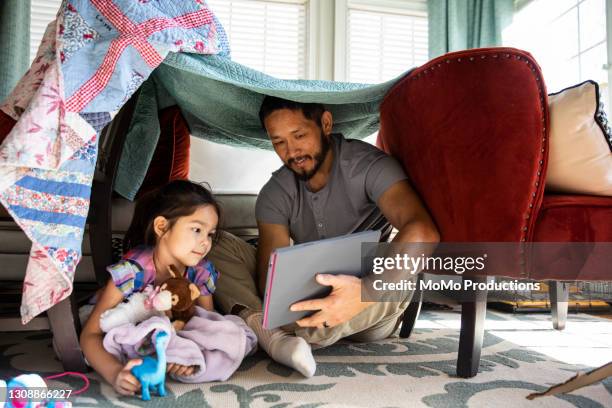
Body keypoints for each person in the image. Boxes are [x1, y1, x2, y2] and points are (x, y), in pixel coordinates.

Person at [207, 96, 439, 378]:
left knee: (398, 263)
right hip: (310, 287)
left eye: (299, 135)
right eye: (279, 142)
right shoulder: (275, 193)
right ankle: (271, 333)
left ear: (325, 124)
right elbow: (269, 281)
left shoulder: (370, 166)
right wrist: (285, 298)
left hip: (371, 296)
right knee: (213, 243)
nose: (291, 151)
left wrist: (364, 293)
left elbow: (423, 230)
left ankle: (263, 330)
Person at [80, 180, 222, 396]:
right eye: (197, 230)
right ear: (161, 227)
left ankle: (176, 361)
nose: (205, 242)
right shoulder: (132, 271)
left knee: (231, 330)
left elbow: (207, 325)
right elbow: (90, 335)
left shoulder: (201, 272)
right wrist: (115, 373)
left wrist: (187, 354)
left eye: (210, 234)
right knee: (114, 335)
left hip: (167, 332)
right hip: (125, 322)